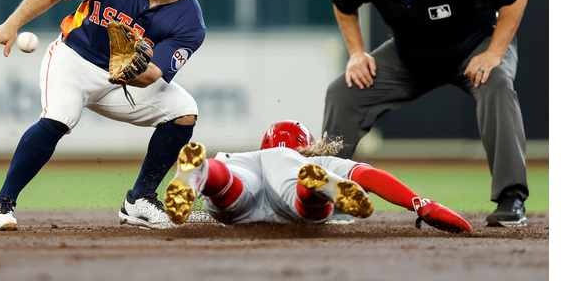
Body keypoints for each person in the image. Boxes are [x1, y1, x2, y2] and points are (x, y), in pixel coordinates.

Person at [0, 0, 206, 230]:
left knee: (184, 111)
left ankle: (139, 200)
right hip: (73, 59)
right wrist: (12, 23)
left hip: (120, 83)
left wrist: (134, 70)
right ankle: (1, 204)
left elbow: (152, 75)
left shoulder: (189, 22)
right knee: (60, 116)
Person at [322, 0, 530, 227]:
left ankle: (511, 197)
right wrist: (357, 53)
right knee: (344, 91)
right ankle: (327, 195)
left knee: (498, 86)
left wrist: (493, 53)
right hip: (409, 57)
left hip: (471, 50)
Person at [164, 120, 472, 233]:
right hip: (292, 170)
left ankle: (202, 171)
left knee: (227, 189)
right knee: (307, 203)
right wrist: (420, 203)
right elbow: (371, 177)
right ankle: (312, 187)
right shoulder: (310, 158)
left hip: (239, 168)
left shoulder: (255, 156)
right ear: (305, 147)